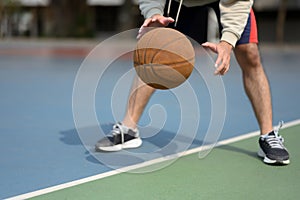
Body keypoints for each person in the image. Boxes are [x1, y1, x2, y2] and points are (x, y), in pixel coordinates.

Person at [95, 0, 290, 165]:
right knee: (156, 53)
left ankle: (268, 134)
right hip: (180, 3)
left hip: (231, 2)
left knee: (250, 54)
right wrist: (153, 12)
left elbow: (237, 3)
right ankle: (129, 129)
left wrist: (228, 41)